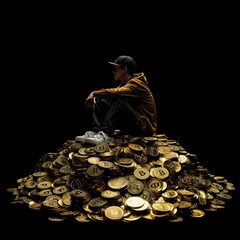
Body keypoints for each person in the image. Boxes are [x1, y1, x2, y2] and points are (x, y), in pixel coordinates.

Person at [75, 55, 157, 144]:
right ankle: (96, 131)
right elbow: (110, 95)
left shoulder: (138, 84)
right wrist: (98, 97)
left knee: (118, 99)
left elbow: (115, 93)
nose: (113, 71)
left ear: (124, 69)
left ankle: (106, 135)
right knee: (100, 98)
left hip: (144, 128)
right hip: (132, 124)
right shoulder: (125, 83)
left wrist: (94, 93)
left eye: (115, 69)